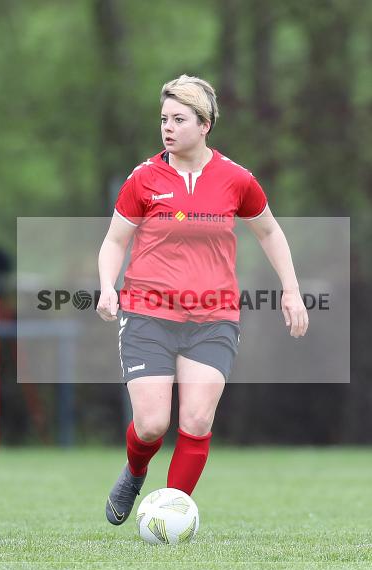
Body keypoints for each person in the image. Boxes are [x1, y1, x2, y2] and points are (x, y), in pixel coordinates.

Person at [97, 74, 308, 526]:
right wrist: (106, 285)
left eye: (179, 119)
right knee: (152, 424)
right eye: (163, 119)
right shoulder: (145, 179)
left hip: (214, 316)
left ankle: (169, 515)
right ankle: (135, 471)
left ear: (205, 124)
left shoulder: (236, 179)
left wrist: (291, 289)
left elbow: (270, 232)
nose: (167, 128)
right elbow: (115, 241)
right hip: (148, 313)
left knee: (195, 419)